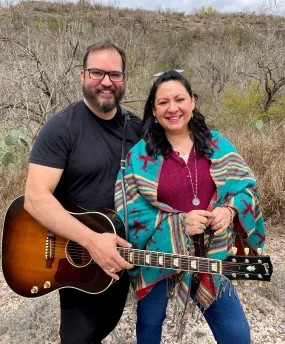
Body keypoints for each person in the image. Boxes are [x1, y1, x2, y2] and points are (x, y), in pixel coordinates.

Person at [115, 70, 265, 344]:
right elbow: (129, 211)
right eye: (163, 102)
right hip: (159, 258)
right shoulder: (139, 155)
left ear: (193, 101)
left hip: (212, 256)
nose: (173, 108)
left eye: (180, 99)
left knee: (237, 336)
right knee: (149, 328)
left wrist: (229, 210)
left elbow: (247, 187)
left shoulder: (217, 144)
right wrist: (178, 223)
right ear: (153, 109)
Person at [24, 42, 142, 344]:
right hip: (70, 254)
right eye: (97, 72)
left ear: (125, 79)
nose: (106, 81)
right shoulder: (61, 128)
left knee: (107, 323)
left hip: (119, 254)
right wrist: (91, 241)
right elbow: (36, 198)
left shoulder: (137, 130)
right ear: (82, 75)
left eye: (114, 74)